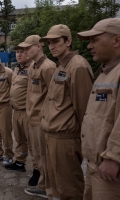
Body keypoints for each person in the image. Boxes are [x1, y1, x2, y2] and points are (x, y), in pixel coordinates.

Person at [39, 24, 93, 199]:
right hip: (53, 135)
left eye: (56, 41)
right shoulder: (61, 66)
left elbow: (85, 109)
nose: (52, 46)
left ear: (68, 41)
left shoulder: (77, 67)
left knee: (69, 188)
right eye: (49, 43)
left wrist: (85, 143)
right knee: (55, 186)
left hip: (66, 138)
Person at [77, 18, 120, 200]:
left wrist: (114, 157)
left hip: (110, 170)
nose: (89, 46)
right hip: (96, 165)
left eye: (95, 40)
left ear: (116, 40)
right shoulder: (105, 72)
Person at [20, 35, 56, 198]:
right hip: (32, 118)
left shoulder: (48, 67)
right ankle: (43, 185)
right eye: (24, 48)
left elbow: (53, 96)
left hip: (41, 120)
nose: (25, 51)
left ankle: (50, 189)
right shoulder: (34, 66)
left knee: (44, 156)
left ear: (39, 46)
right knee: (37, 155)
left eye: (28, 48)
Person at [5, 43, 36, 172]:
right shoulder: (17, 69)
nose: (19, 54)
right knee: (19, 139)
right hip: (16, 110)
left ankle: (37, 169)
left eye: (22, 52)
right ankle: (19, 162)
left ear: (28, 53)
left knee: (32, 142)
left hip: (27, 111)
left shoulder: (33, 68)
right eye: (17, 52)